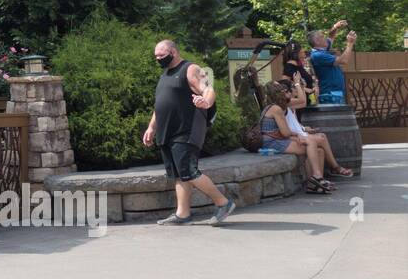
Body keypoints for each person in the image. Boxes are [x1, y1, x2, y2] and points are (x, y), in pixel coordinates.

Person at [143, 39, 236, 225]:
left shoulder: (191, 68)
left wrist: (206, 102)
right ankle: (183, 214)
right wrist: (152, 127)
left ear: (174, 52)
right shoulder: (165, 74)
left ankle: (223, 202)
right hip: (167, 131)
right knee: (178, 173)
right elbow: (160, 105)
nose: (158, 59)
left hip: (186, 130)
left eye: (161, 55)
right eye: (156, 56)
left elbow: (208, 89)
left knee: (189, 170)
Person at [258, 80, 336, 193]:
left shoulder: (274, 107)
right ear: (278, 94)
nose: (287, 93)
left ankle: (314, 183)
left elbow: (285, 132)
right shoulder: (276, 109)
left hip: (278, 139)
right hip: (273, 142)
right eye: (284, 91)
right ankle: (317, 177)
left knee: (318, 150)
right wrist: (297, 136)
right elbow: (285, 133)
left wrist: (297, 135)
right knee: (311, 143)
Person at [281, 77, 353, 180]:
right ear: (287, 92)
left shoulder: (292, 106)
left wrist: (304, 128)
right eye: (293, 87)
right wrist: (297, 83)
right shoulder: (286, 103)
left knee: (320, 150)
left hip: (300, 134)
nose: (296, 89)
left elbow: (294, 122)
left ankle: (317, 181)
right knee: (322, 137)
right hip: (294, 138)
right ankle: (335, 168)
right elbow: (303, 102)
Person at [308, 20, 356, 104]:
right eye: (322, 36)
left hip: (334, 93)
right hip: (330, 94)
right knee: (335, 117)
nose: (326, 38)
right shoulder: (318, 55)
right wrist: (350, 43)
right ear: (317, 41)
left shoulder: (321, 50)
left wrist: (335, 26)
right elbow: (343, 60)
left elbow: (331, 36)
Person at [280, 40, 317, 105]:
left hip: (309, 101)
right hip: (299, 103)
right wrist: (304, 89)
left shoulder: (299, 66)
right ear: (297, 53)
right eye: (302, 52)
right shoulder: (290, 66)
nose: (304, 54)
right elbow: (285, 85)